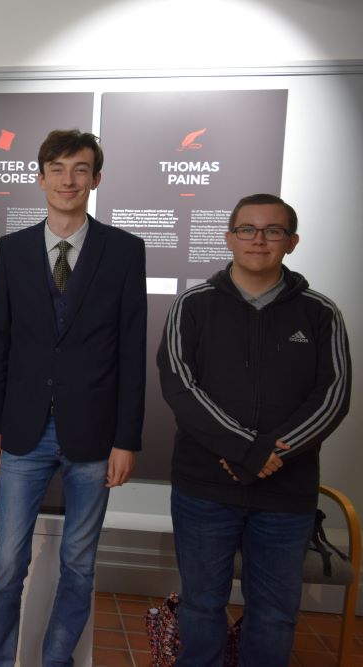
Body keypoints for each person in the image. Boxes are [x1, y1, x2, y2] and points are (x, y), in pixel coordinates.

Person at [157, 193, 351, 666]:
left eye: (273, 231)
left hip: (285, 495)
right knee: (202, 606)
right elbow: (180, 387)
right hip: (204, 489)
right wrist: (246, 450)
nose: (258, 240)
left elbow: (333, 398)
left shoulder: (321, 313)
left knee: (275, 614)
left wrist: (269, 454)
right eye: (247, 229)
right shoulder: (193, 305)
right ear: (229, 237)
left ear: (292, 241)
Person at [0, 129, 147, 666]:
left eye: (80, 169)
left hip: (94, 434)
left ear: (96, 179)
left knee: (79, 561)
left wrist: (127, 439)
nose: (68, 179)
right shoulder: (12, 249)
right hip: (23, 428)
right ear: (40, 177)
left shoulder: (124, 250)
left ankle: (56, 661)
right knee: (8, 559)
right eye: (57, 168)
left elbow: (131, 350)